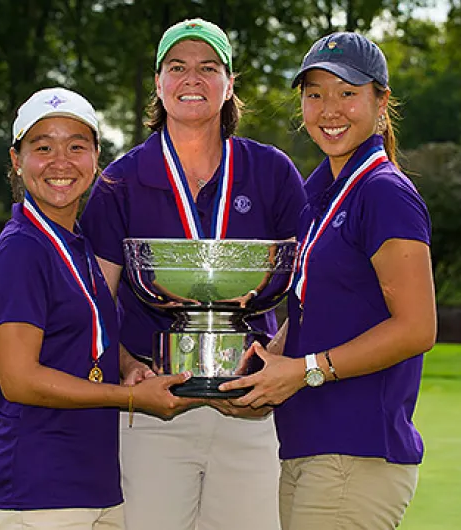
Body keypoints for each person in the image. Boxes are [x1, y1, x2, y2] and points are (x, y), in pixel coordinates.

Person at [80, 18, 307, 530]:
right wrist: (123, 366)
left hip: (251, 406)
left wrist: (276, 363)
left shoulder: (271, 171)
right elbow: (94, 301)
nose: (192, 79)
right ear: (158, 83)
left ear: (230, 84)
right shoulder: (120, 180)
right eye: (177, 67)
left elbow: (308, 287)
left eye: (209, 68)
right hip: (155, 409)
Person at [220, 32, 438, 530]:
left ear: (381, 102)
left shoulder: (384, 194)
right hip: (308, 444)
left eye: (347, 92)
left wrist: (303, 371)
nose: (328, 109)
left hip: (356, 453)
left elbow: (417, 328)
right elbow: (314, 309)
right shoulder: (319, 193)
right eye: (315, 93)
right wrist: (272, 363)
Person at [0, 87, 195, 530]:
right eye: (43, 147)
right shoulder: (22, 251)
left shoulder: (79, 248)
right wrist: (130, 397)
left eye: (76, 146)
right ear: (17, 160)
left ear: (95, 158)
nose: (61, 161)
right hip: (35, 491)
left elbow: (88, 341)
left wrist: (127, 365)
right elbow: (18, 379)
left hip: (94, 486)